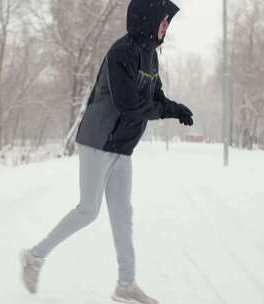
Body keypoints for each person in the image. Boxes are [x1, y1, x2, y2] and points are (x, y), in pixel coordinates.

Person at [20, 0, 192, 303]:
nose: (166, 26)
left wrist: (174, 108)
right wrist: (166, 112)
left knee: (123, 214)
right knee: (88, 210)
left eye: (168, 21)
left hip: (122, 146)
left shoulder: (151, 57)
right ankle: (34, 256)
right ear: (149, 19)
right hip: (99, 140)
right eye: (163, 20)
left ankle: (126, 284)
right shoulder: (121, 53)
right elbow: (129, 104)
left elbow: (156, 96)